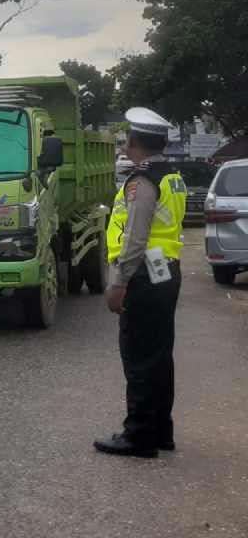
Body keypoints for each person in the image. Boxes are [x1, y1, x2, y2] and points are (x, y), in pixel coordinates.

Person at [93, 108, 187, 459]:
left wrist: (118, 283)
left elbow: (135, 238)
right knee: (159, 354)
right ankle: (161, 430)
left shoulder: (142, 181)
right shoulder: (171, 175)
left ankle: (139, 436)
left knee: (139, 357)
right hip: (166, 270)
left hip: (144, 273)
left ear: (133, 141)